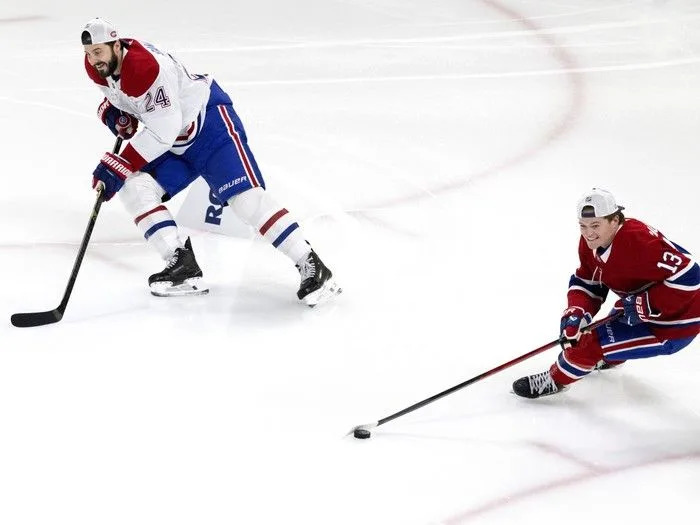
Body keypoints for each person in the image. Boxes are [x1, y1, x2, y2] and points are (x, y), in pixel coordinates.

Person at [81, 17, 341, 305]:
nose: (94, 59)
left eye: (99, 52)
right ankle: (181, 264)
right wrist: (116, 113)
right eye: (89, 53)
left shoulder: (145, 66)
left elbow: (164, 129)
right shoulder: (101, 68)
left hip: (209, 127)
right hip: (175, 139)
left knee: (246, 201)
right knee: (134, 186)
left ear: (116, 45)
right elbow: (127, 101)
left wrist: (121, 163)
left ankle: (312, 264)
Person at [513, 188, 700, 398]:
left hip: (676, 324)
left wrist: (646, 303)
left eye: (595, 225)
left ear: (615, 220)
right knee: (602, 327)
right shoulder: (591, 243)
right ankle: (611, 357)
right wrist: (577, 312)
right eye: (582, 226)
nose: (588, 233)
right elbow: (589, 282)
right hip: (640, 307)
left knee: (588, 344)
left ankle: (555, 380)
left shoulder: (638, 240)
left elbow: (691, 275)